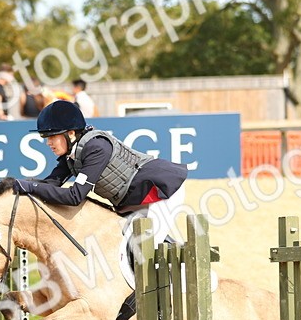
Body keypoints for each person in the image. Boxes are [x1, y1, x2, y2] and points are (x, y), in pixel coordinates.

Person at [12, 101, 186, 246]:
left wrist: (30, 186)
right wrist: (15, 185)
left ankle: (179, 279)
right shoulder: (72, 154)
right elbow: (51, 184)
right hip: (138, 200)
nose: (48, 143)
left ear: (70, 133)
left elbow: (74, 197)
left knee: (146, 247)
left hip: (162, 189)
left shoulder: (96, 147)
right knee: (126, 241)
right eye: (46, 138)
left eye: (52, 137)